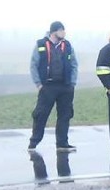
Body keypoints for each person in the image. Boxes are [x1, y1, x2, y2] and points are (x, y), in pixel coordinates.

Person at [28, 21, 78, 151]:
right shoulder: (41, 45)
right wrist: (38, 84)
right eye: (61, 30)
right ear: (54, 32)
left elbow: (74, 64)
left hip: (65, 86)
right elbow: (33, 65)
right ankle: (34, 142)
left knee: (65, 115)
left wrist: (72, 83)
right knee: (41, 114)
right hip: (47, 86)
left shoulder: (67, 45)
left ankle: (62, 143)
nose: (64, 33)